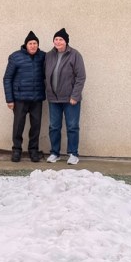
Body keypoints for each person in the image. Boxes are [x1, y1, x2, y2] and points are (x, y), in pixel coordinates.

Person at [3, 31, 46, 162]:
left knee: (36, 126)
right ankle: (16, 150)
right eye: (30, 43)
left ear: (38, 45)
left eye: (35, 43)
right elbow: (7, 78)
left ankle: (33, 150)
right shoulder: (15, 57)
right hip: (20, 99)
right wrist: (9, 99)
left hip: (37, 99)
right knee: (18, 126)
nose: (33, 46)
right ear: (25, 45)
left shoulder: (43, 56)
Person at [45, 28, 86, 165]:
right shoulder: (49, 55)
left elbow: (81, 77)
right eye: (56, 39)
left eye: (60, 39)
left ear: (66, 41)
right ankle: (54, 153)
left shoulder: (75, 55)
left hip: (70, 99)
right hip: (53, 99)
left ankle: (73, 153)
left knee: (72, 126)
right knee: (54, 127)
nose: (58, 41)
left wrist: (75, 95)